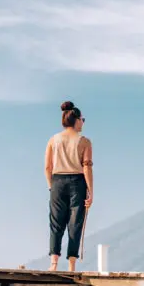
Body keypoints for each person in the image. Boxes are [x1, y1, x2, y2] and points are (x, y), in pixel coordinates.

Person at [45, 100, 94, 272]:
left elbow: (47, 167)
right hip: (77, 182)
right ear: (76, 120)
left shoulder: (53, 140)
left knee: (56, 223)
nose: (83, 122)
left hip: (57, 181)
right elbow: (87, 166)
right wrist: (91, 192)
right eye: (83, 119)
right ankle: (71, 265)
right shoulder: (85, 141)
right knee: (75, 223)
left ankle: (54, 263)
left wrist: (52, 186)